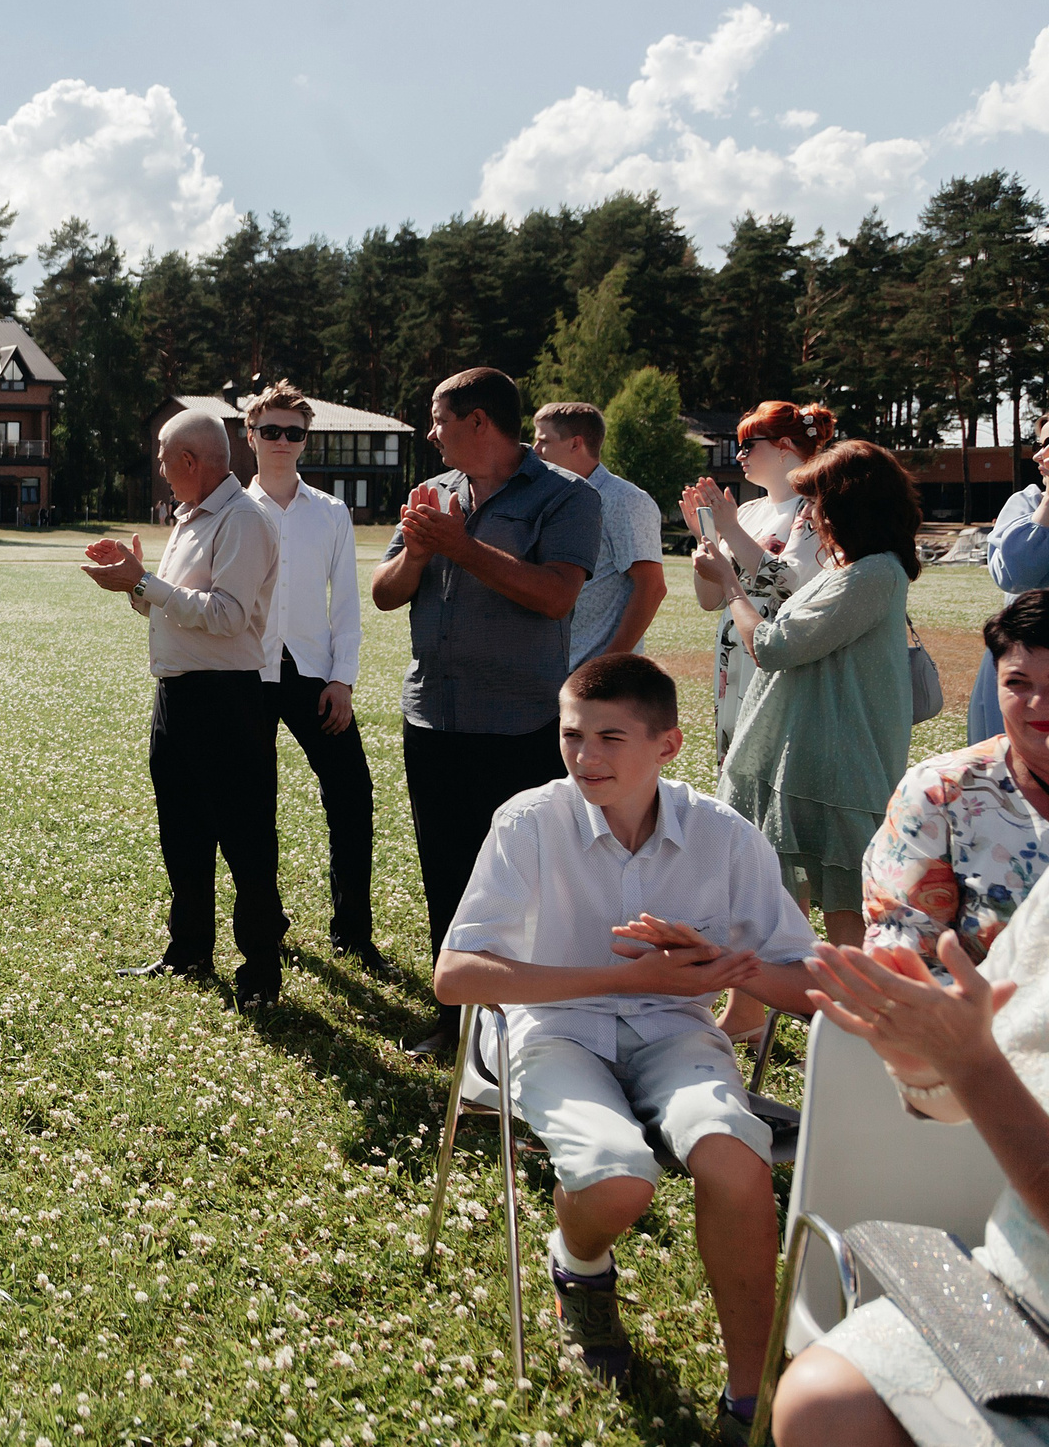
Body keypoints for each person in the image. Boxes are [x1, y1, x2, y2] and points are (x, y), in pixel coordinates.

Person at [435, 655, 817, 1435]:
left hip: (678, 1034)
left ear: (669, 745)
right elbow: (455, 976)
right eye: (573, 734)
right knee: (619, 1181)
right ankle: (579, 1265)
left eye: (611, 737)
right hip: (555, 1031)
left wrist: (727, 968)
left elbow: (808, 980)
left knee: (737, 1161)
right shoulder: (529, 821)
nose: (585, 756)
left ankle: (751, 1399)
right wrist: (621, 977)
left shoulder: (724, 836)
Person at [772, 591, 1049, 1444]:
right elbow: (911, 985)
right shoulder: (946, 791)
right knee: (823, 1405)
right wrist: (945, 1055)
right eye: (1019, 683)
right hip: (963, 1140)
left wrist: (965, 1060)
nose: (1040, 707)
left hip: (997, 1128)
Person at [372, 368, 603, 1057]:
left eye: (439, 419)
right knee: (445, 870)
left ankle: (523, 1027)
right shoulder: (432, 495)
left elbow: (557, 595)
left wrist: (462, 548)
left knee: (523, 880)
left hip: (518, 724)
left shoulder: (566, 498)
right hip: (432, 717)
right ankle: (457, 1021)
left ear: (479, 422)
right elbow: (385, 594)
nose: (430, 432)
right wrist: (416, 552)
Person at [84, 408, 285, 1007]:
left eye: (165, 459)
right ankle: (189, 949)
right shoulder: (190, 518)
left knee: (245, 839)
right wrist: (135, 582)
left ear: (191, 462)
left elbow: (226, 615)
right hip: (177, 694)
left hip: (226, 700)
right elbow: (168, 605)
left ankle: (259, 974)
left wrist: (144, 585)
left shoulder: (243, 519)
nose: (161, 470)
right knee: (183, 831)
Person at [701, 439, 920, 955]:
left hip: (836, 766)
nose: (811, 515)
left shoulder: (874, 573)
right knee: (772, 894)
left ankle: (848, 1020)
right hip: (804, 757)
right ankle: (757, 1008)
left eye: (817, 501)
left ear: (848, 505)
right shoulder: (853, 569)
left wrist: (732, 584)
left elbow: (774, 646)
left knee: (845, 903)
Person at [242, 381, 381, 970]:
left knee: (352, 794)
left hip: (313, 675)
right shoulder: (231, 509)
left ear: (306, 439)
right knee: (252, 804)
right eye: (269, 430)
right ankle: (265, 926)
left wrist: (342, 680)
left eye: (293, 432)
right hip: (245, 673)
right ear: (250, 435)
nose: (281, 441)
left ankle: (352, 931)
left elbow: (346, 603)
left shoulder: (331, 513)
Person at [679, 401, 839, 774]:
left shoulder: (815, 509)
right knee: (735, 767)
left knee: (771, 767)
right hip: (734, 657)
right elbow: (711, 600)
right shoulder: (749, 512)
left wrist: (729, 530)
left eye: (749, 445)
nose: (739, 455)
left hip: (780, 654)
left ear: (784, 446)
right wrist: (707, 537)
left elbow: (791, 587)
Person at [532, 401, 666, 667]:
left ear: (575, 443)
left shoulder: (625, 500)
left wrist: (607, 666)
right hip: (548, 671)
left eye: (543, 441)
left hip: (593, 677)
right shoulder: (551, 497)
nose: (535, 451)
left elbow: (651, 588)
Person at [970, 417, 1049, 744]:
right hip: (1022, 663)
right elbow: (1013, 575)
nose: (1039, 455)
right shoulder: (1026, 503)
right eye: (1040, 445)